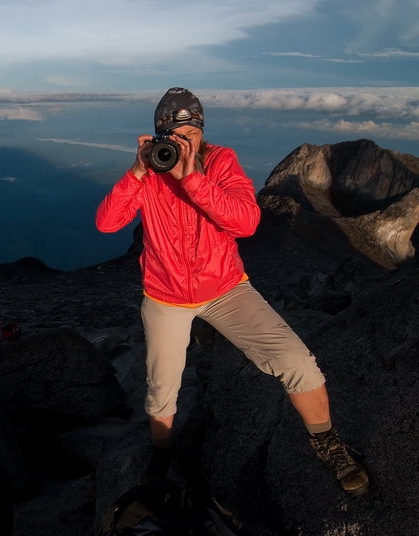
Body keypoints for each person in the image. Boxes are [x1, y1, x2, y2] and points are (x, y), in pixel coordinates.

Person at [95, 87, 369, 496]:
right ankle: (163, 450)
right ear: (158, 137)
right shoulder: (149, 171)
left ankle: (326, 441)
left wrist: (192, 179)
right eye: (174, 135)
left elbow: (245, 223)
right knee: (161, 390)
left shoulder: (221, 161)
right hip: (166, 296)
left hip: (225, 289)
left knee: (298, 362)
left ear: (202, 132)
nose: (183, 143)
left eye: (191, 133)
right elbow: (106, 222)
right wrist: (136, 172)